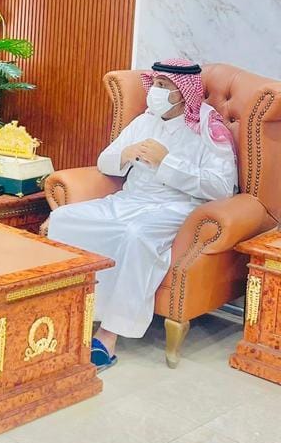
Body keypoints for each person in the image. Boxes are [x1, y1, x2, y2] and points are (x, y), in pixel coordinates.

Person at [47, 59, 237, 371]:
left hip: (175, 207)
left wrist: (167, 162)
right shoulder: (145, 121)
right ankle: (64, 314)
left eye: (164, 86)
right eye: (155, 84)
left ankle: (108, 335)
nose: (155, 92)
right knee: (63, 219)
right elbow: (105, 162)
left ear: (183, 93)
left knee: (135, 235)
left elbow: (221, 188)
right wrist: (125, 154)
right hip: (129, 200)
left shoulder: (208, 128)